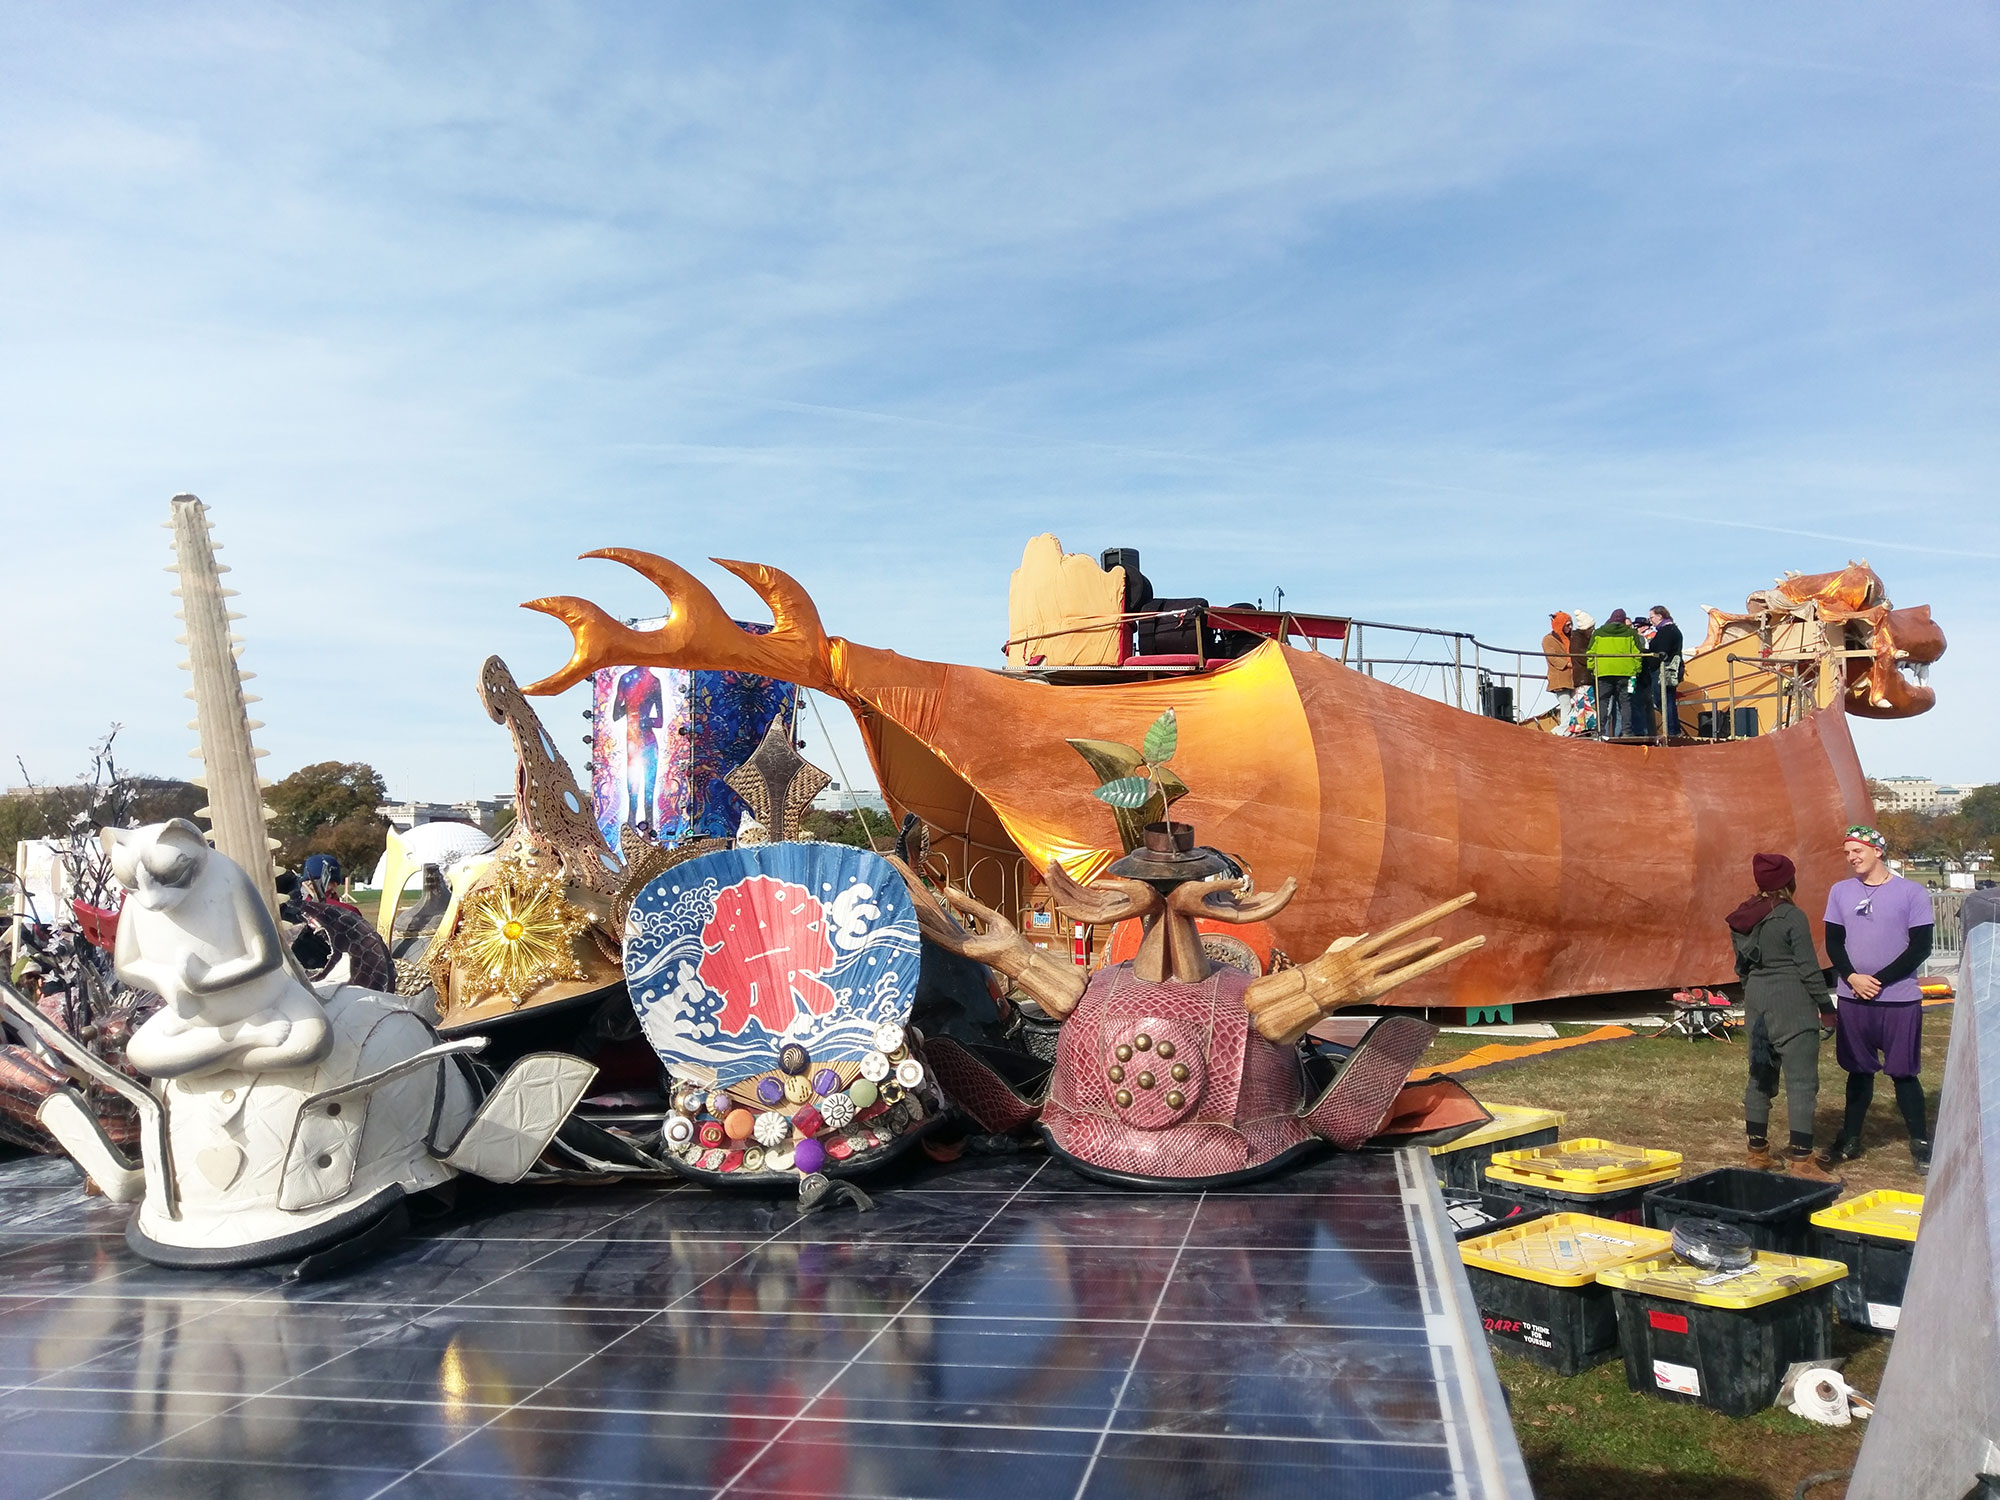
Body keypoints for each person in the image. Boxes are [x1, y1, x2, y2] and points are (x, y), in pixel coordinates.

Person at [1817, 825, 1936, 1173]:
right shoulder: (1840, 892)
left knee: (1904, 1073)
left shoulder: (1912, 893)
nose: (1852, 858)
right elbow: (1834, 942)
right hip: (1853, 997)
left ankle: (1921, 1143)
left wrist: (1879, 980)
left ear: (1877, 851)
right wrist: (1852, 976)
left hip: (1898, 999)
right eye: (1848, 853)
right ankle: (1850, 1137)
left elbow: (1920, 947)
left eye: (1858, 851)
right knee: (1858, 1070)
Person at [1728, 852, 1838, 1179]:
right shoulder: (1791, 916)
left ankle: (1757, 1153)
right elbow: (1807, 967)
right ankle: (1802, 1160)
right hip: (1793, 1004)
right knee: (1802, 1082)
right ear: (1788, 881)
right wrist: (1826, 1008)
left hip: (1758, 1002)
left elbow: (1742, 968)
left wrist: (1755, 994)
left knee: (1760, 1076)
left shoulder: (1743, 917)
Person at [1586, 608, 1644, 738]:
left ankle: (1600, 732)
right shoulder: (1631, 633)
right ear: (1623, 620)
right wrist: (1636, 670)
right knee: (1626, 702)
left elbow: (1590, 653)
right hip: (1627, 674)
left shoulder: (1599, 632)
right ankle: (1627, 732)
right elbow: (1637, 654)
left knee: (1602, 702)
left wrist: (1593, 669)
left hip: (1603, 673)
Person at [1632, 605, 1685, 739]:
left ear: (1660, 616)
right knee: (1667, 700)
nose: (1651, 621)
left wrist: (1646, 655)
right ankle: (1673, 730)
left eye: (1652, 617)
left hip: (1663, 670)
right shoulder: (1672, 629)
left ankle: (1672, 731)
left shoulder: (1667, 631)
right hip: (1669, 669)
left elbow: (1661, 651)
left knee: (1664, 700)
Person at [1542, 611, 1577, 717]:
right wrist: (1568, 664)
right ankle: (1563, 730)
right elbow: (1552, 657)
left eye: (1571, 624)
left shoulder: (1573, 638)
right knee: (1565, 705)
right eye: (1567, 625)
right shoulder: (1548, 639)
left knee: (1578, 705)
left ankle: (1569, 729)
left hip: (1574, 678)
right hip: (1559, 678)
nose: (1570, 627)